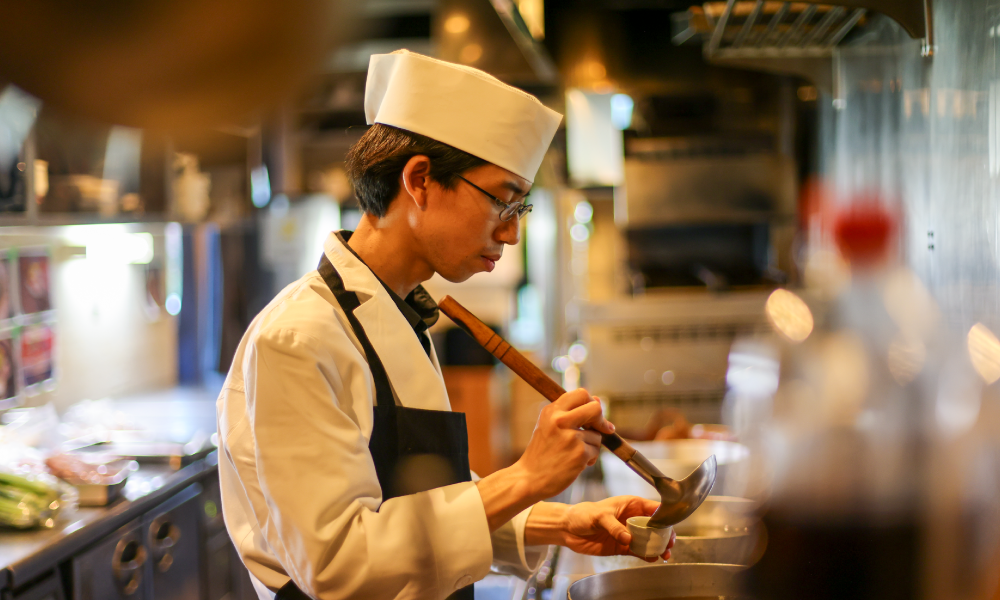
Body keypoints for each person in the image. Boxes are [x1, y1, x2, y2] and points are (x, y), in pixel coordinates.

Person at [217, 50, 674, 600]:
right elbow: (338, 562)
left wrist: (557, 522)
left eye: (520, 210)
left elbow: (415, 502)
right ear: (420, 181)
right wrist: (524, 477)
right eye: (503, 202)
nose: (511, 234)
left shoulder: (399, 312)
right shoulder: (297, 339)